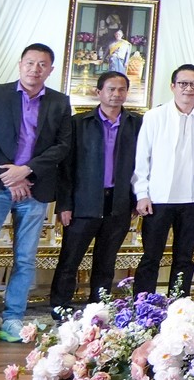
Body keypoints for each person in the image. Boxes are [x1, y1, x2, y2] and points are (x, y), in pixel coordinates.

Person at [0, 44, 70, 347]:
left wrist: (27, 171)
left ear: (50, 69)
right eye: (30, 63)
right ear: (20, 64)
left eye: (42, 64)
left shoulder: (59, 102)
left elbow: (62, 146)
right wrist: (10, 176)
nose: (35, 69)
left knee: (25, 259)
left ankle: (13, 319)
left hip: (34, 187)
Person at [50, 71, 141, 315]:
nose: (116, 94)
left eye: (121, 89)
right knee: (70, 259)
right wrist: (64, 204)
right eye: (111, 89)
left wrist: (135, 199)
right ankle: (60, 307)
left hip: (118, 202)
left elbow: (143, 165)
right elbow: (66, 167)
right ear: (98, 92)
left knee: (106, 261)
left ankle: (98, 309)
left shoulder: (136, 124)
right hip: (83, 203)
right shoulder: (78, 123)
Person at [132, 63, 194, 295]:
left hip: (192, 198)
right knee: (151, 256)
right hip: (159, 198)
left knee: (184, 257)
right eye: (183, 83)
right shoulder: (154, 116)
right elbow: (142, 158)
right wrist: (142, 194)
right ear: (173, 86)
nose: (188, 89)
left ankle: (179, 305)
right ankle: (143, 304)